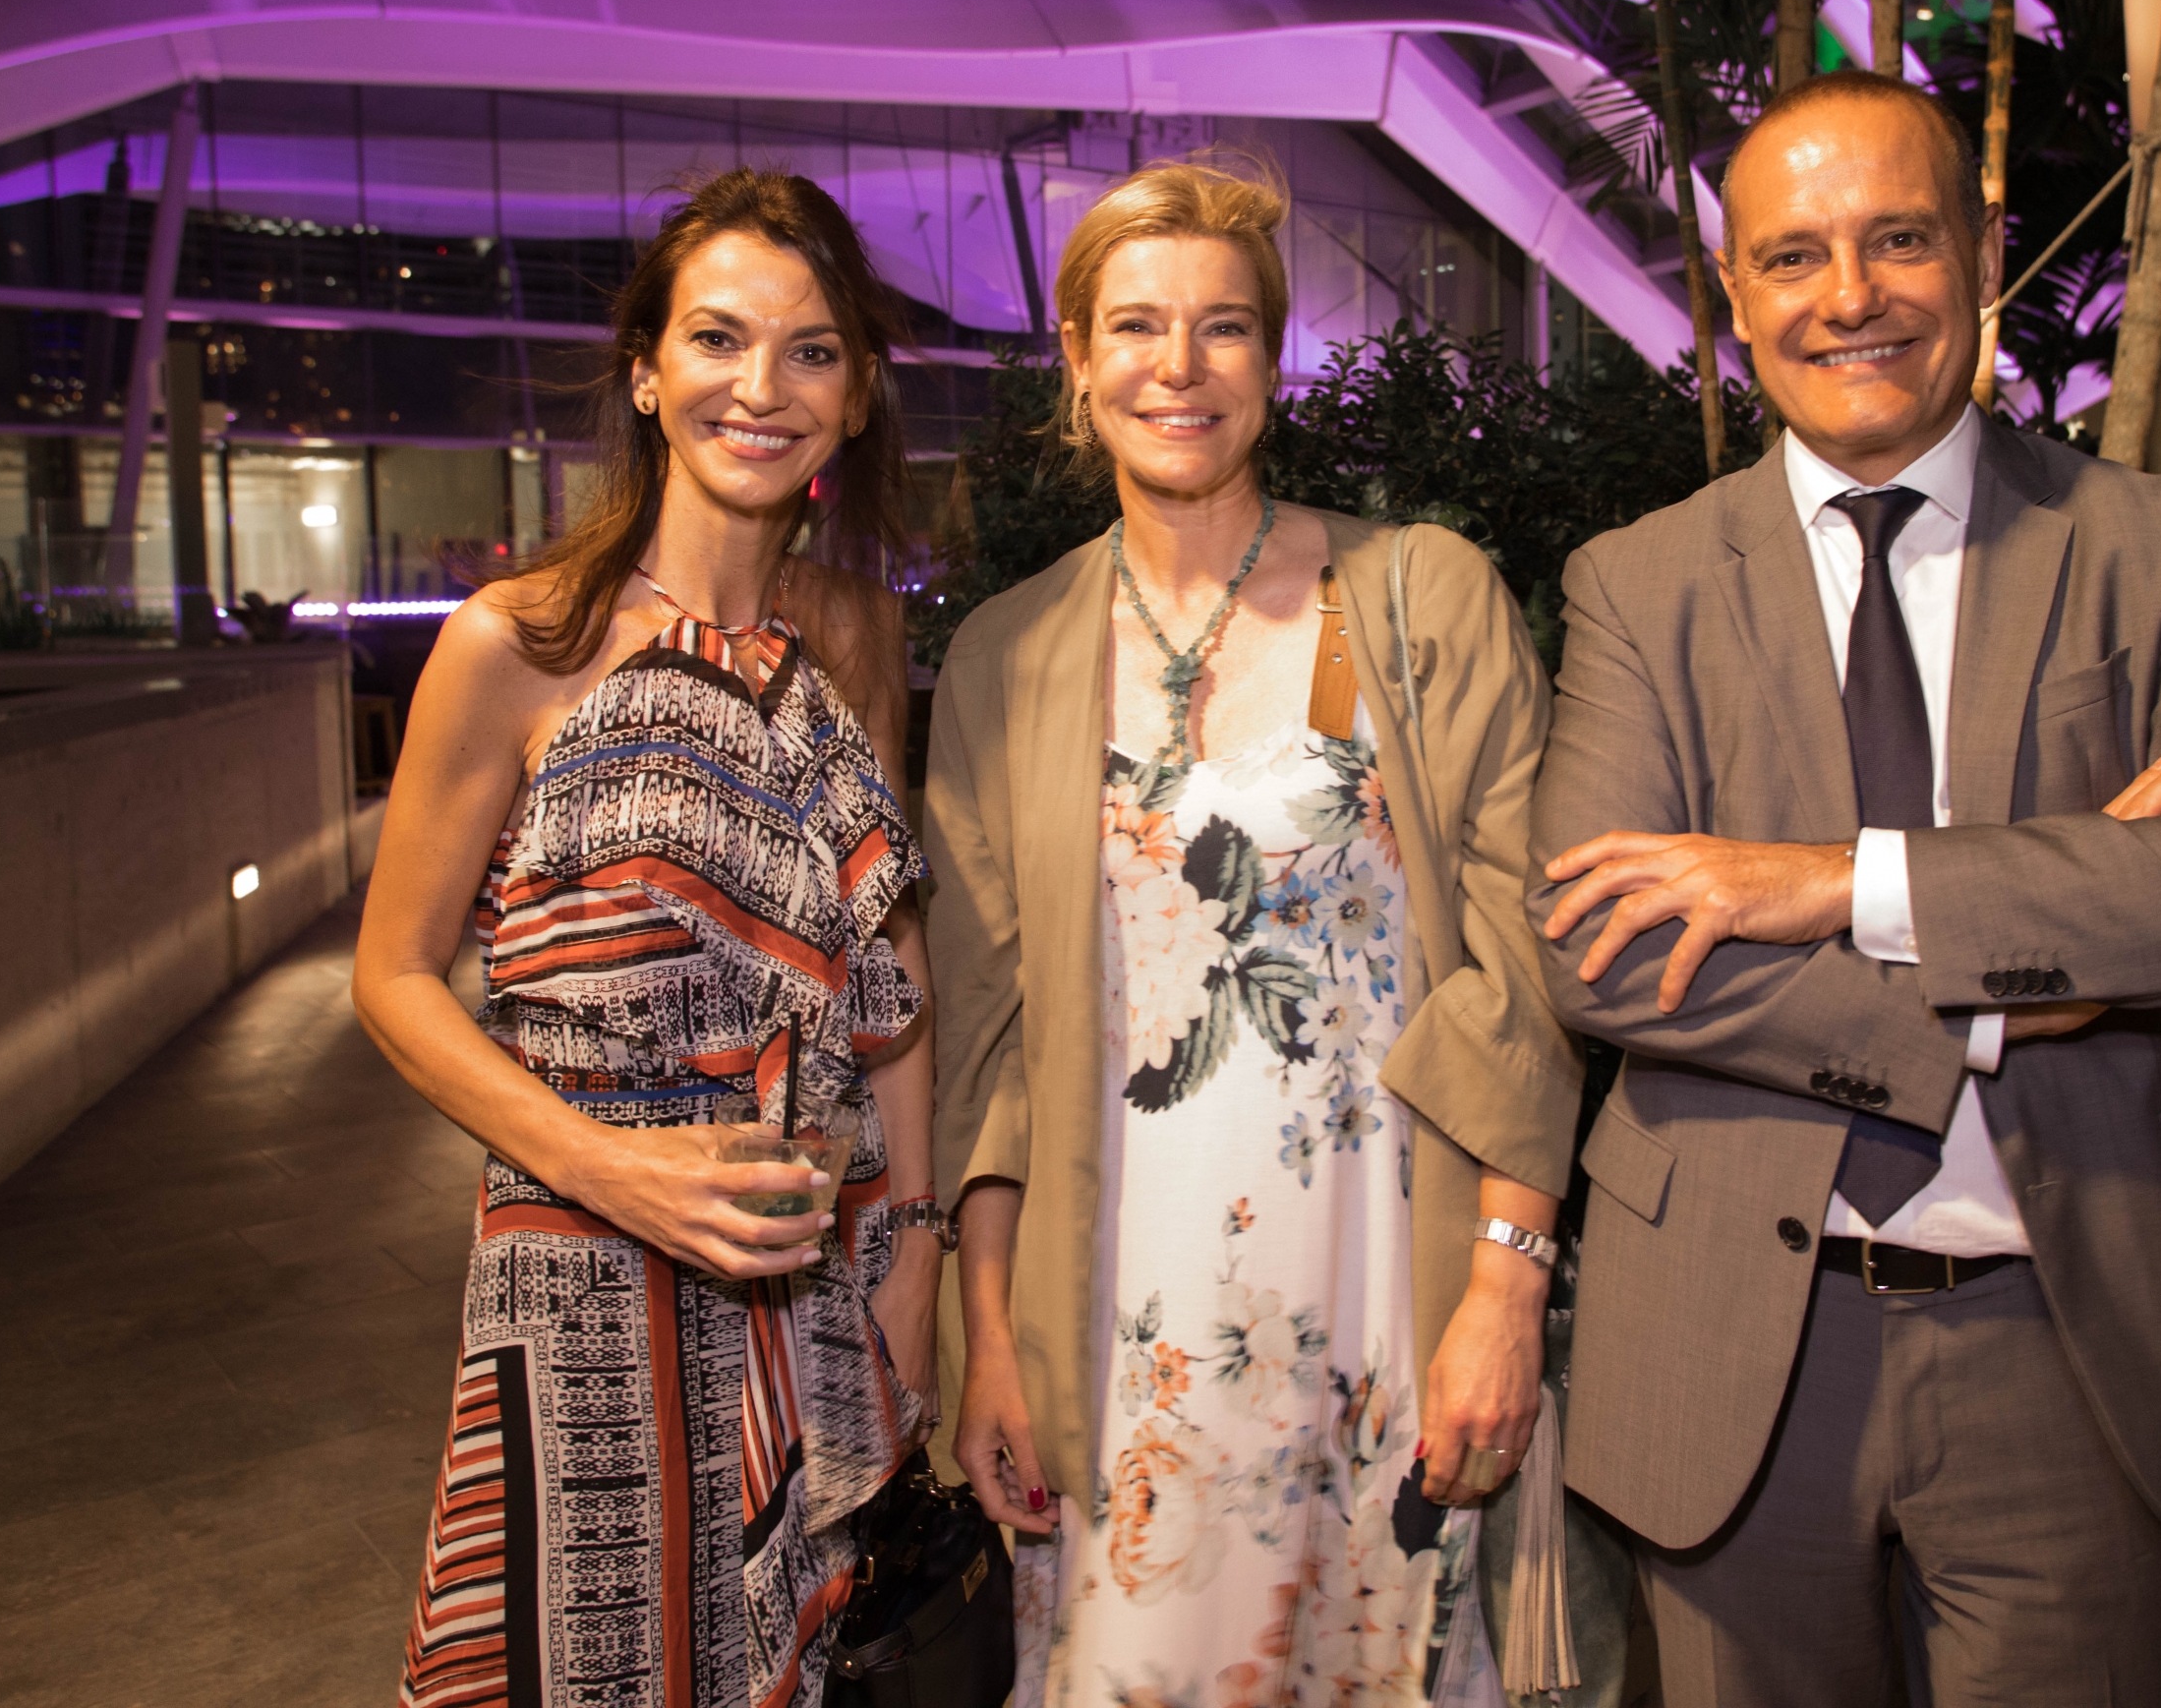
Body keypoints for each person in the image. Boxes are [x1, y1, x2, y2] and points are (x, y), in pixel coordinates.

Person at [1529, 71, 2161, 1704]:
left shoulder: (2154, 545)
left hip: (2082, 1337)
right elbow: (1607, 960)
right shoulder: (1637, 585)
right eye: (1793, 257)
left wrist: (1847, 885)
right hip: (1734, 1350)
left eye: (1898, 239)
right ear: (1735, 300)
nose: (1850, 297)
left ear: (1983, 254)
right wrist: (2036, 976)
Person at [924, 159, 1580, 1706]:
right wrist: (993, 1343)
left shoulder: (1409, 601)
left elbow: (1523, 976)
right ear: (1077, 359)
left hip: (1382, 1306)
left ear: (1271, 361)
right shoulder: (1009, 657)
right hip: (1120, 1320)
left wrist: (1508, 1284)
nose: (1178, 365)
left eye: (1223, 328)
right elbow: (991, 1048)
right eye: (1136, 325)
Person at [353, 169, 944, 1707]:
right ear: (645, 370)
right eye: (718, 340)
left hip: (817, 1261)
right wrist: (607, 1167)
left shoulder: (861, 637)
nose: (762, 389)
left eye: (813, 351)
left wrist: (918, 1258)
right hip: (587, 1262)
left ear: (860, 394)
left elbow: (896, 989)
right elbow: (392, 977)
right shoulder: (519, 641)